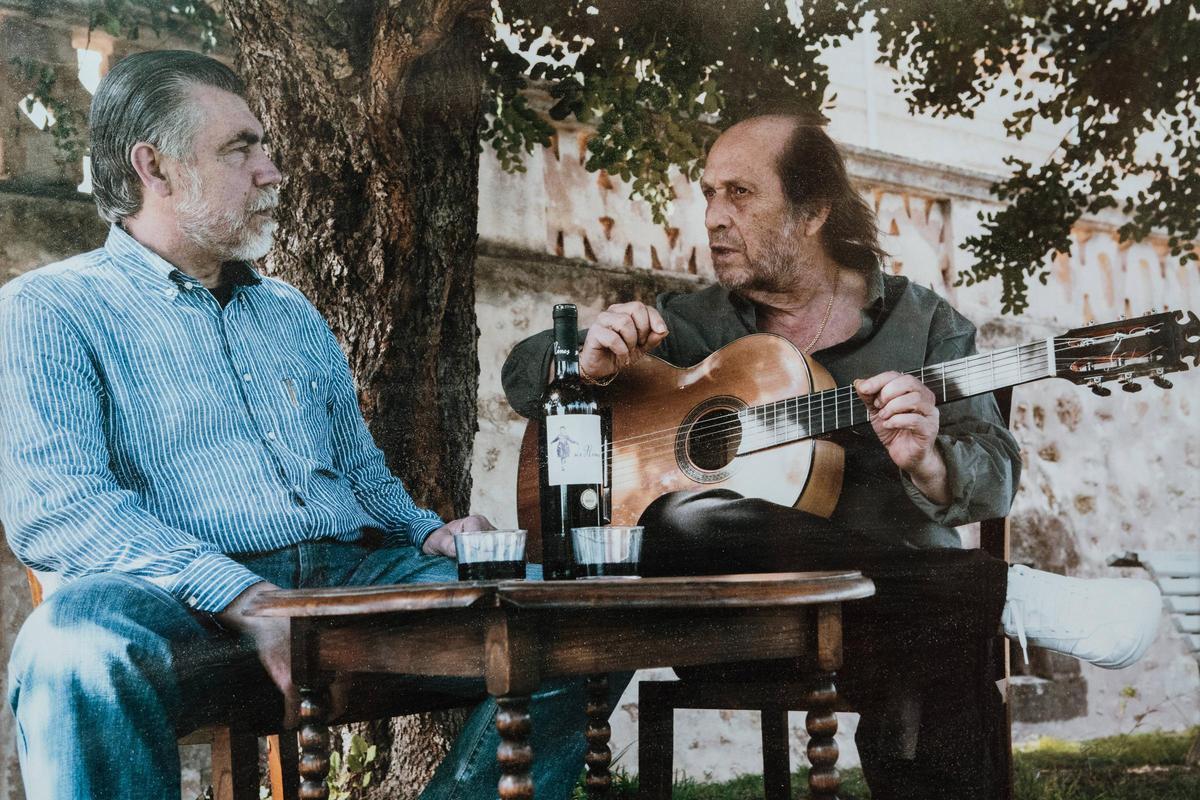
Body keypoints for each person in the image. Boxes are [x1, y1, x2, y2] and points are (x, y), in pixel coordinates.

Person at [501, 114, 1164, 799]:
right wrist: (579, 356)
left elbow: (996, 477)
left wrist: (928, 461)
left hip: (889, 629)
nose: (714, 217)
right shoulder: (692, 325)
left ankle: (968, 599)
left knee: (929, 645)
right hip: (744, 625)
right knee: (677, 519)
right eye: (708, 194)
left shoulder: (923, 323)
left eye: (740, 194)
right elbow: (523, 375)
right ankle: (1004, 596)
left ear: (814, 210)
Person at [1, 50, 605, 800]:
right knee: (72, 651)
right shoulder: (48, 309)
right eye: (240, 148)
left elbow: (356, 469)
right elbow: (60, 509)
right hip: (189, 608)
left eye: (264, 145)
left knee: (582, 612)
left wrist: (425, 533)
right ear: (153, 167)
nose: (271, 169)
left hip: (348, 582)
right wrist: (240, 596)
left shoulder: (289, 311)